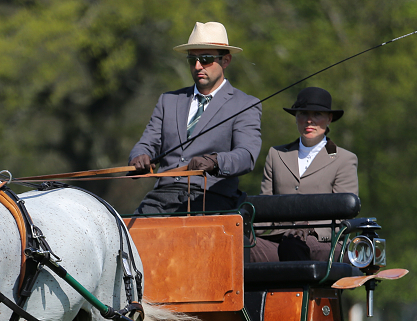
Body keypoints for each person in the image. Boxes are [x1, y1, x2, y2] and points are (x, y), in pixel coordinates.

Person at [128, 22, 262, 214]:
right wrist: (139, 156)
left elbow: (246, 156)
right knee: (127, 239)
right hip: (160, 198)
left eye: (206, 59)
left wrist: (215, 162)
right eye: (193, 60)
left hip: (210, 198)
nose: (198, 66)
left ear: (226, 61)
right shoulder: (168, 100)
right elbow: (146, 143)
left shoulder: (245, 104)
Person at [252, 86, 358, 261]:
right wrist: (241, 228)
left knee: (293, 246)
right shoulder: (276, 155)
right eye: (303, 114)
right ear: (296, 117)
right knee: (236, 244)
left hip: (321, 243)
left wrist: (310, 229)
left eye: (317, 114)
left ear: (329, 119)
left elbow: (342, 217)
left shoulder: (344, 159)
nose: (309, 121)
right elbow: (265, 210)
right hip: (278, 240)